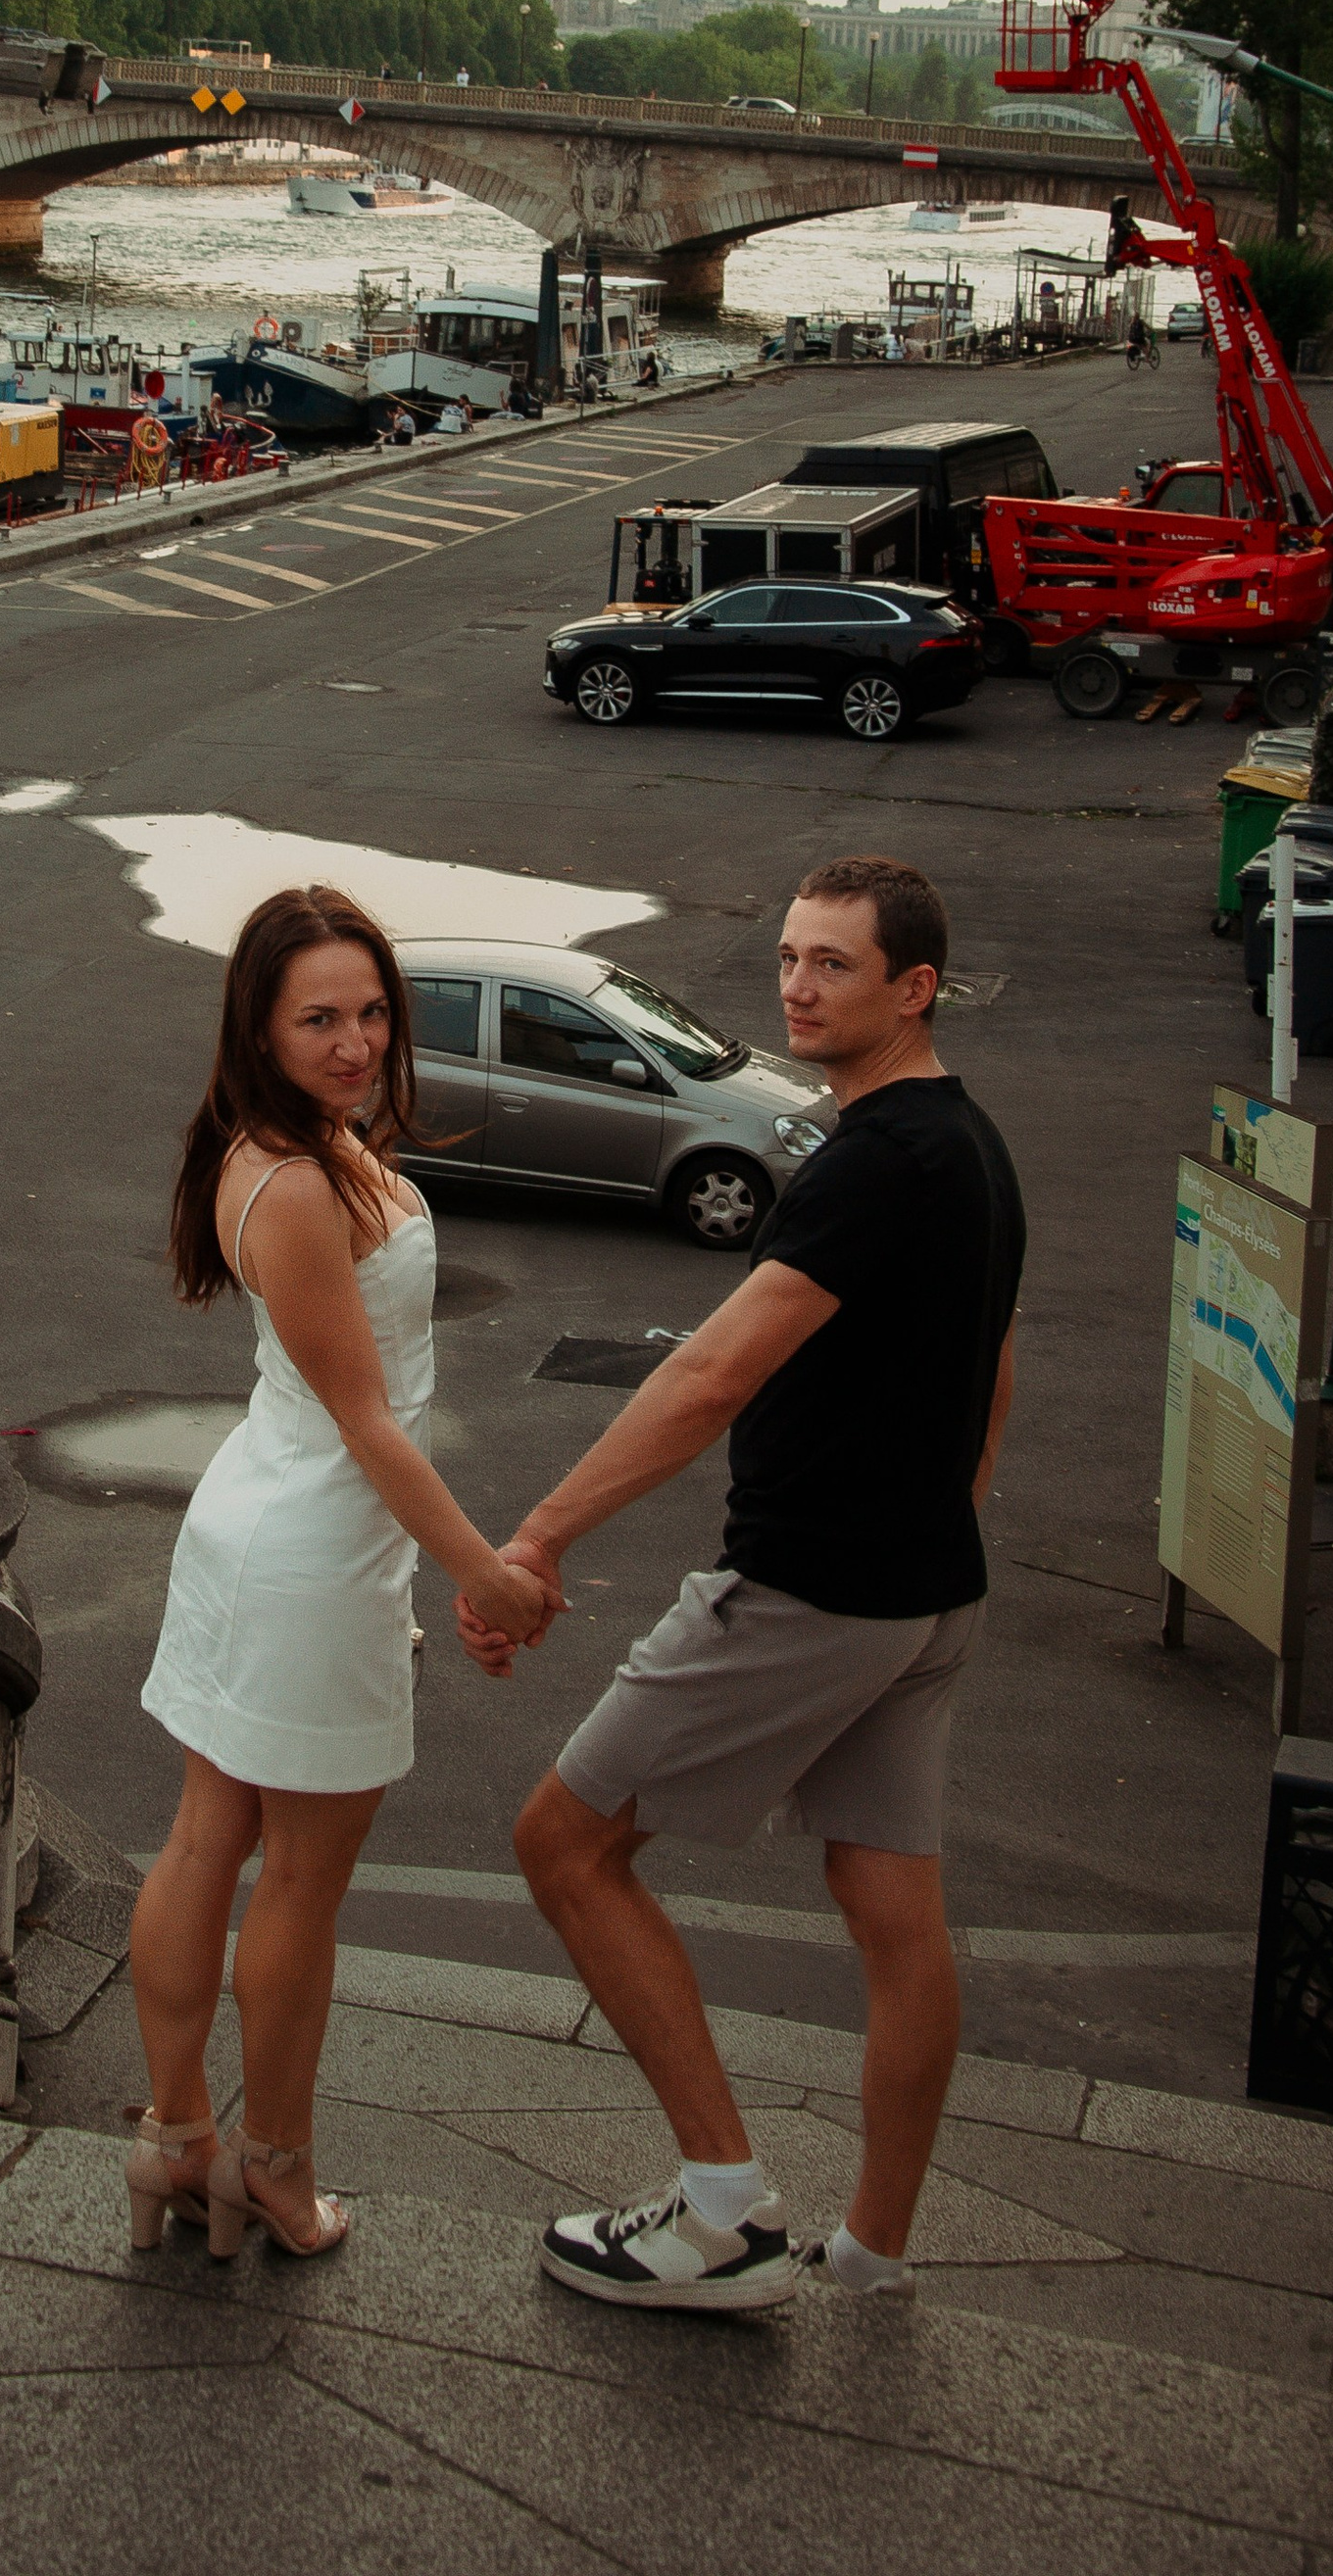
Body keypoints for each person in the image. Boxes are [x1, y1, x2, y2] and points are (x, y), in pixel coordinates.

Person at [458, 853, 1021, 2319]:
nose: (795, 985)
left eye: (833, 965)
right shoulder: (971, 1151)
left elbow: (711, 1371)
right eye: (788, 956)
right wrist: (928, 1523)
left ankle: (719, 2216)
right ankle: (877, 2250)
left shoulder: (872, 1165)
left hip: (814, 1592)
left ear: (915, 988)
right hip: (923, 1599)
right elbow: (992, 1370)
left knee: (566, 1846)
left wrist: (539, 1539)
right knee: (895, 1915)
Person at [130, 888, 550, 2262]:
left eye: (371, 1012)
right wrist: (483, 1573)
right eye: (319, 1018)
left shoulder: (282, 1150)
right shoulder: (300, 1181)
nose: (356, 1040)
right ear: (261, 1024)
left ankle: (176, 2140)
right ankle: (274, 2171)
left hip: (270, 1525)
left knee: (209, 1839)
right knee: (293, 1885)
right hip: (308, 1548)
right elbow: (372, 1423)